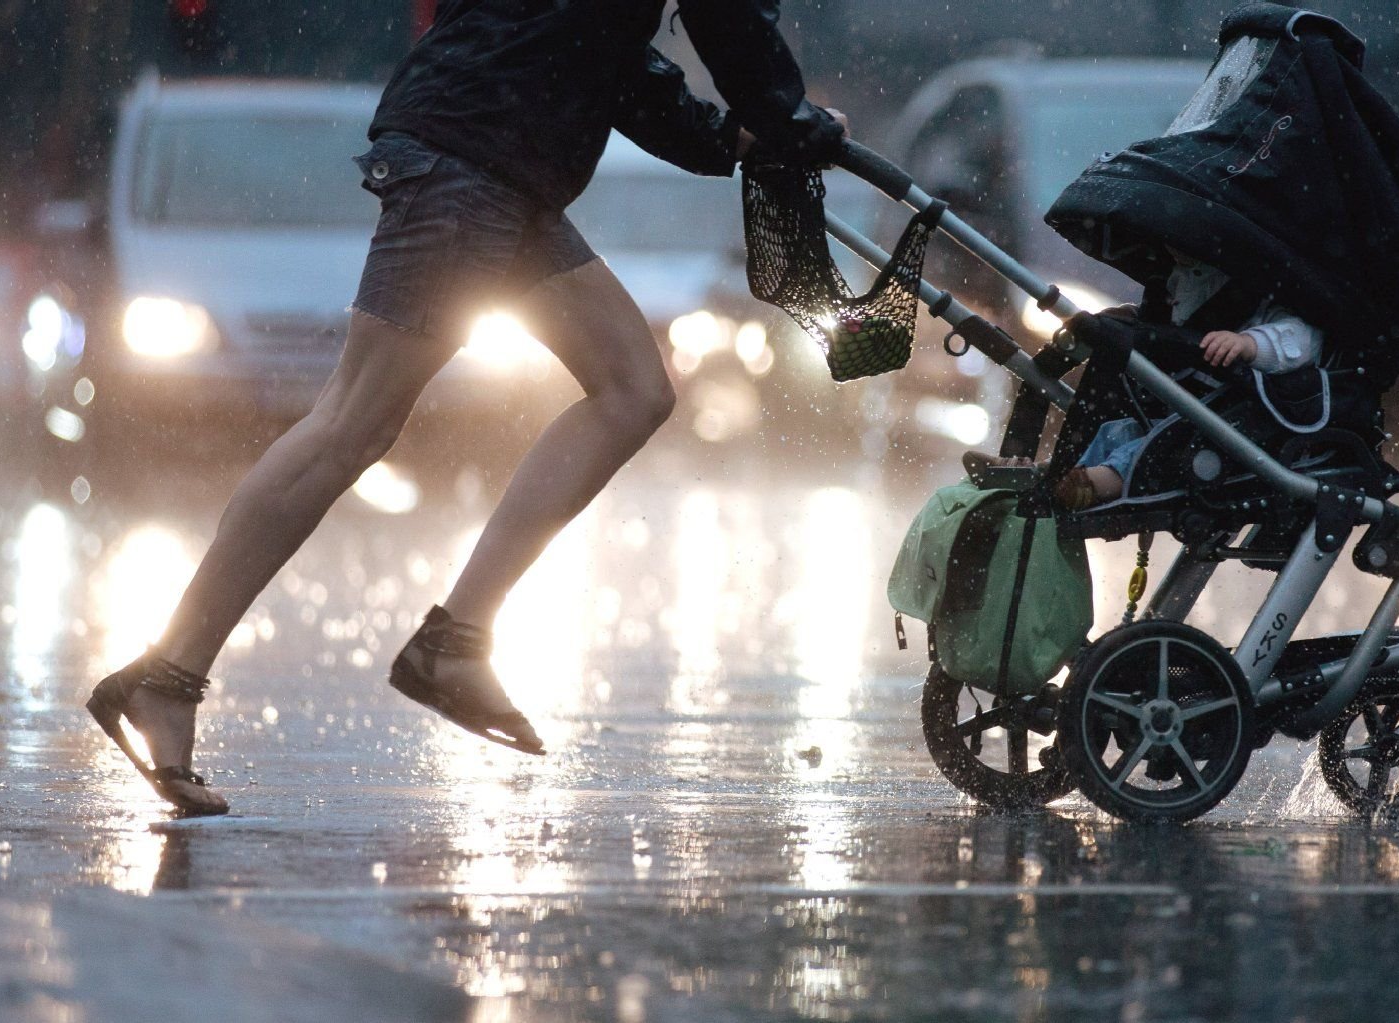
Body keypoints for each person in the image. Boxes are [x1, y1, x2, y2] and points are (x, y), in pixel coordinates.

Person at [85, 1, 847, 816]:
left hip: (498, 156)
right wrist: (785, 113)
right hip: (471, 158)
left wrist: (733, 136)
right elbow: (720, 20)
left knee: (634, 389)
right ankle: (167, 676)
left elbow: (605, 57)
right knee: (353, 423)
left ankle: (454, 643)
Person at [968, 252, 1323, 509]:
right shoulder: (1187, 277)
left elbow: (1301, 342)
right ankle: (1050, 473)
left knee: (1145, 451)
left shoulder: (1263, 295)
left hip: (1223, 422)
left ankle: (1089, 483)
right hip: (1180, 406)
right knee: (1116, 432)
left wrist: (1249, 343)